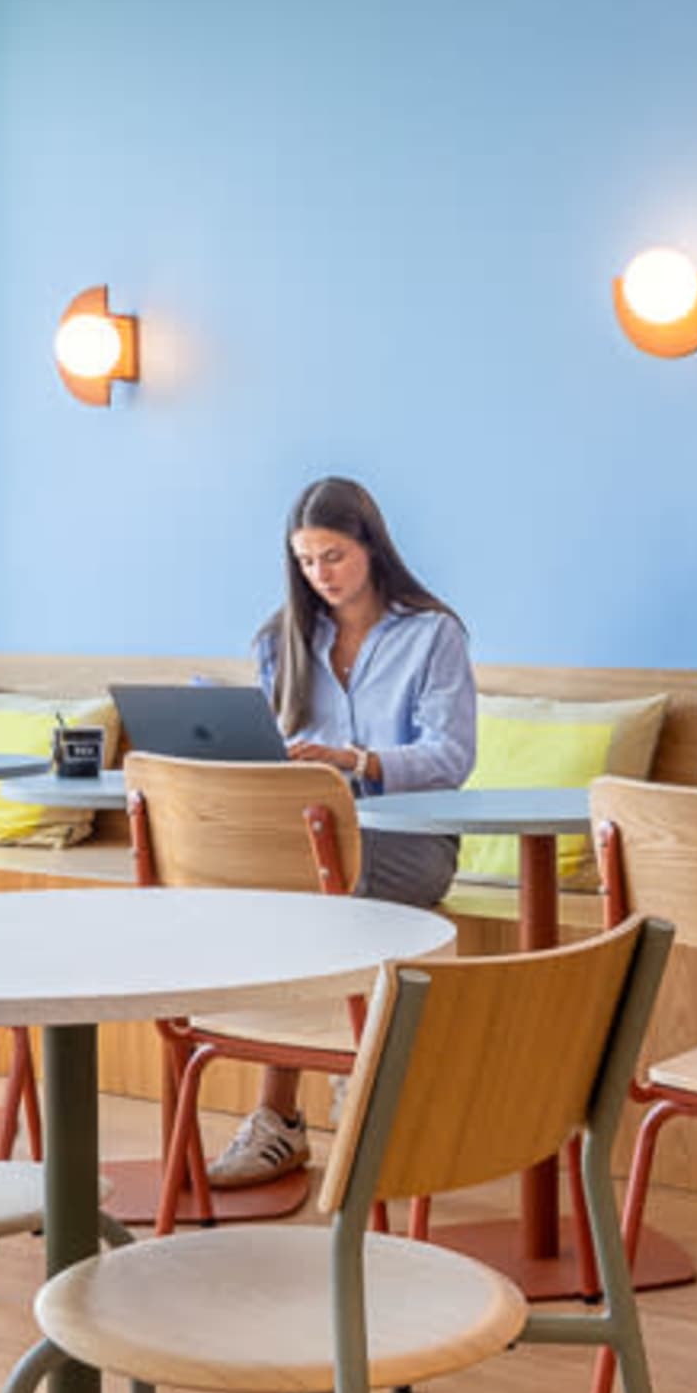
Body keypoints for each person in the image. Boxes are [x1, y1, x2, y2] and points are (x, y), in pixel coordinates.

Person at [200, 475, 479, 1189]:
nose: (320, 575)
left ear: (371, 548)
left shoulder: (432, 634)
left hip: (412, 843)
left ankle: (315, 1103)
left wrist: (354, 761)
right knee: (288, 878)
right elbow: (265, 744)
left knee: (305, 893)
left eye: (333, 556)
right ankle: (321, 1097)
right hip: (313, 843)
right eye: (306, 561)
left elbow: (452, 757)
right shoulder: (282, 638)